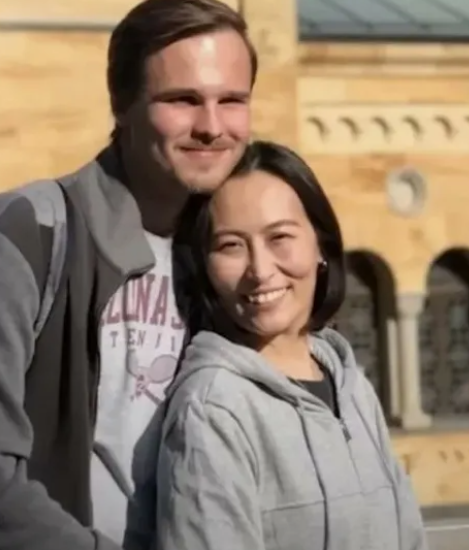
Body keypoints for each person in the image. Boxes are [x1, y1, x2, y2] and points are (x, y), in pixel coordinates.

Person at [0, 0, 257, 550]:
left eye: (232, 100)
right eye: (182, 100)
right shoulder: (13, 239)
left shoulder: (237, 257)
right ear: (122, 105)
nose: (212, 125)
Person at [156, 141, 428, 550]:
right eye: (231, 245)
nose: (260, 270)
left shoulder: (351, 387)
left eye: (279, 237)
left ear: (320, 244)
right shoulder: (214, 409)